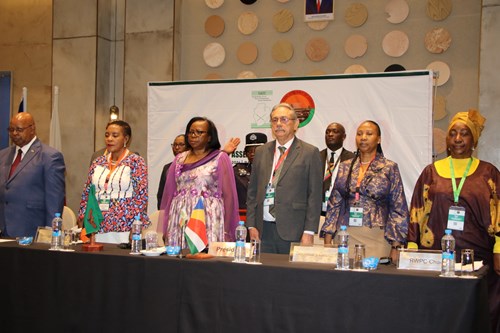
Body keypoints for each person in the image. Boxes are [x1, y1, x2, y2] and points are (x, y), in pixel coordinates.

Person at [407, 109, 499, 332]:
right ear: (447, 139)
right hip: (436, 256)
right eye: (453, 133)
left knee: (479, 313)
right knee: (441, 312)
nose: (458, 139)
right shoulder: (431, 172)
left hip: (479, 258)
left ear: (473, 139)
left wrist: (499, 248)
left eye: (464, 133)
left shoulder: (488, 172)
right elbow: (417, 211)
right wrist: (411, 247)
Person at [321, 120, 409, 262]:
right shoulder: (345, 166)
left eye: (369, 134)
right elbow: (334, 203)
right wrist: (327, 239)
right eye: (359, 134)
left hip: (376, 236)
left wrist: (396, 247)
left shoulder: (389, 167)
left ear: (379, 139)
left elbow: (398, 207)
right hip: (345, 236)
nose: (363, 137)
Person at [246, 103, 323, 254]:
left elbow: (314, 195)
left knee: (290, 276)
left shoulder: (309, 152)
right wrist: (251, 225)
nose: (279, 124)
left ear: (296, 124)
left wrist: (309, 231)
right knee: (264, 275)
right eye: (274, 120)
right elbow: (252, 192)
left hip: (294, 229)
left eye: (284, 119)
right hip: (263, 229)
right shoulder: (261, 151)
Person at [159, 117, 239, 248]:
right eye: (190, 132)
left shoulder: (220, 157)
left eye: (199, 132)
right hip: (180, 216)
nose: (193, 135)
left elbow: (229, 196)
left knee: (206, 261)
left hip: (208, 216)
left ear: (209, 137)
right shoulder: (179, 158)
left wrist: (226, 230)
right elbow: (169, 195)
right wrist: (167, 225)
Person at [78, 120, 149, 244]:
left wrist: (136, 225)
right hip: (97, 224)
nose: (109, 139)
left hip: (124, 226)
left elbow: (141, 197)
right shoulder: (98, 162)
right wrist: (83, 217)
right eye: (107, 135)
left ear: (126, 139)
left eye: (115, 136)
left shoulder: (136, 162)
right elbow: (87, 192)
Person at [0, 112, 66, 238]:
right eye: (11, 129)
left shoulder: (49, 157)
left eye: (19, 129)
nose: (14, 133)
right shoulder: (3, 155)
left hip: (31, 231)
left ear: (32, 129)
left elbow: (54, 198)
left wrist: (50, 234)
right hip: (3, 231)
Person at [320, 122, 355, 216]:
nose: (330, 134)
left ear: (344, 136)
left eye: (335, 131)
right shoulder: (316, 156)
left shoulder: (352, 159)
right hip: (318, 213)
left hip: (341, 212)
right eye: (327, 132)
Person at [233, 132, 267, 210]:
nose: (252, 154)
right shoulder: (237, 170)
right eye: (249, 151)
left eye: (256, 150)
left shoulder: (274, 170)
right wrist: (225, 153)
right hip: (244, 214)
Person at [157, 134, 186, 209]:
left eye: (181, 145)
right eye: (175, 145)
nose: (177, 148)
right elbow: (161, 194)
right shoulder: (167, 168)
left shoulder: (194, 167)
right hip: (170, 210)